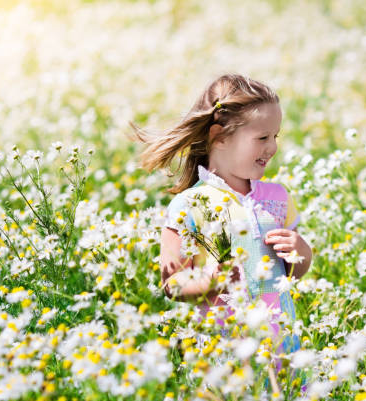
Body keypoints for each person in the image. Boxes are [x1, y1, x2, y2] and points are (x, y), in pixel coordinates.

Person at [129, 72, 312, 378]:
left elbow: (291, 272)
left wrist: (302, 253)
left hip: (282, 343)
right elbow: (171, 282)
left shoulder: (277, 198)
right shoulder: (189, 205)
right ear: (219, 136)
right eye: (262, 138)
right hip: (225, 350)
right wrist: (209, 283)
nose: (273, 147)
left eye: (275, 136)